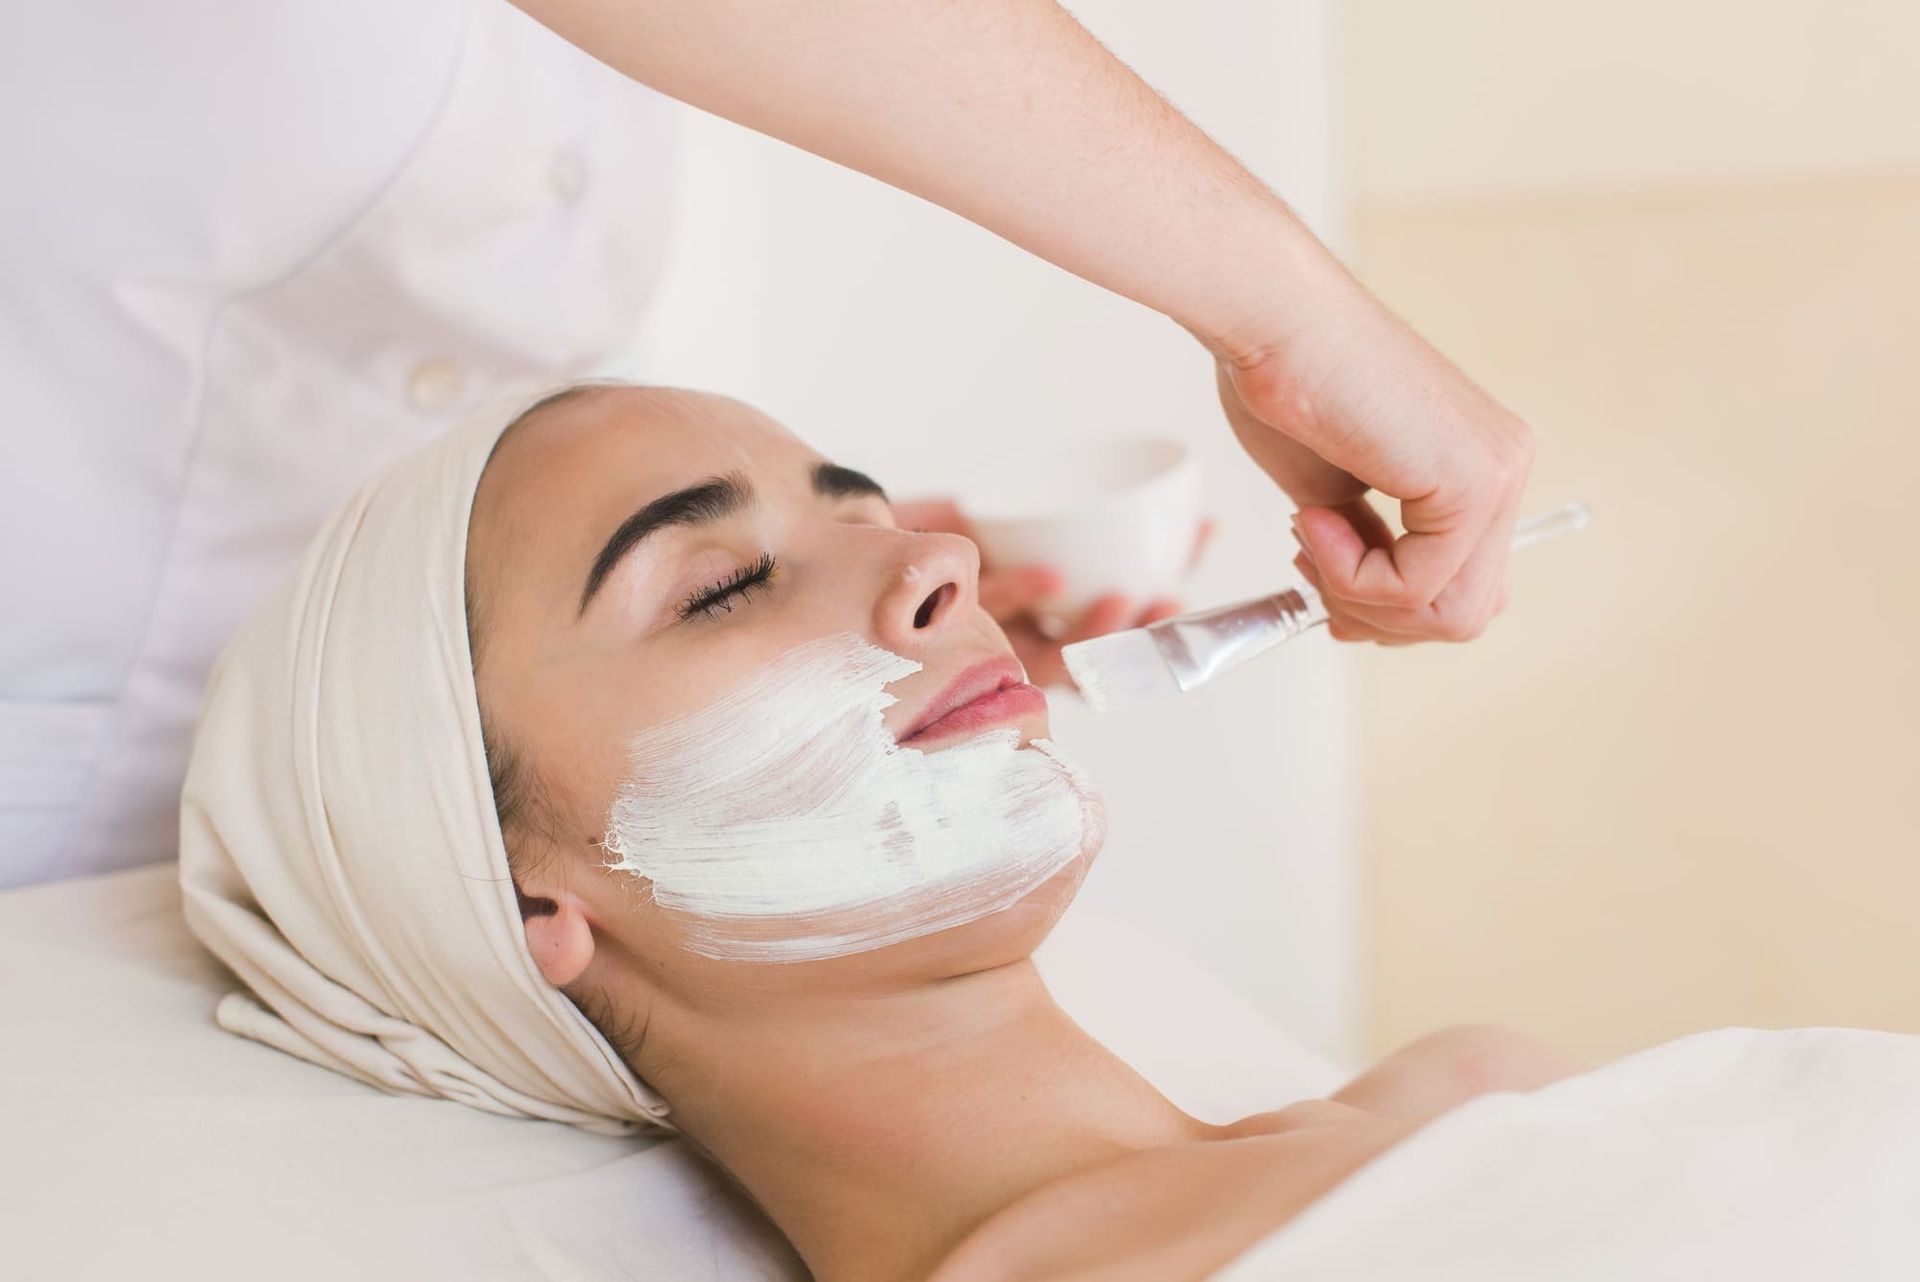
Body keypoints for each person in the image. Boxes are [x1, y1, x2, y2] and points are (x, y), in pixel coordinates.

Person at [4, 0, 1531, 891]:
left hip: (363, 827)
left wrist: (790, 587)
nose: (933, 564)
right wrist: (1289, 317)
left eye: (860, 507)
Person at [179, 383, 1571, 1282]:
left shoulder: (1475, 1089)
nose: (937, 565)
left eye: (874, 515)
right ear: (515, 900)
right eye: (720, 587)